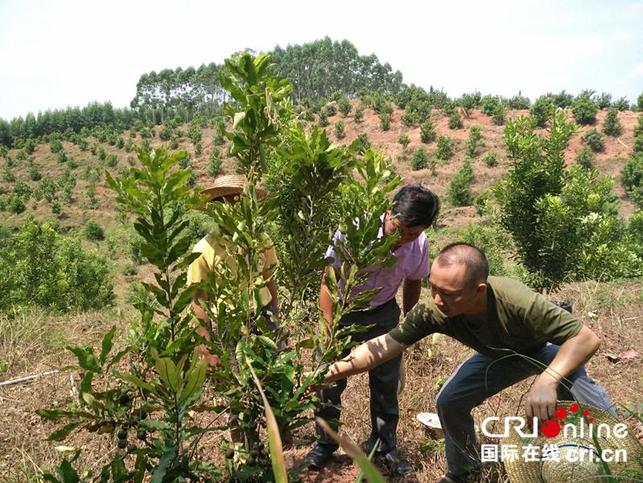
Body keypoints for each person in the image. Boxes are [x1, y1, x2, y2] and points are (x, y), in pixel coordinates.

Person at [318, 242, 614, 483]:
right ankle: (464, 473)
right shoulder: (434, 309)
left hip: (547, 350)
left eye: (448, 294)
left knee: (590, 407)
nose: (436, 299)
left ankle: (618, 461)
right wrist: (332, 371)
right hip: (498, 354)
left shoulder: (516, 301)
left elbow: (585, 339)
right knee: (450, 400)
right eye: (431, 287)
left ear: (479, 290)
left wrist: (547, 380)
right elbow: (384, 347)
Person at [305, 184, 441, 477]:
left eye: (412, 234)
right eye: (400, 229)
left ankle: (383, 446)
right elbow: (329, 278)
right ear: (390, 213)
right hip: (342, 311)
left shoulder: (419, 244)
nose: (403, 239)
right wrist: (328, 327)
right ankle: (324, 443)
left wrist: (408, 323)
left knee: (385, 384)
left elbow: (414, 282)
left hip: (384, 313)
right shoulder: (355, 230)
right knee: (329, 380)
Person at [188, 174, 281, 443]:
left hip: (263, 318)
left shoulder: (261, 240)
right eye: (225, 202)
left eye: (239, 201)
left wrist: (277, 321)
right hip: (230, 324)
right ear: (217, 207)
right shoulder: (204, 249)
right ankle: (243, 450)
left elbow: (270, 280)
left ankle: (276, 444)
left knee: (272, 381)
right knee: (237, 391)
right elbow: (199, 301)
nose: (232, 207)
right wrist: (206, 348)